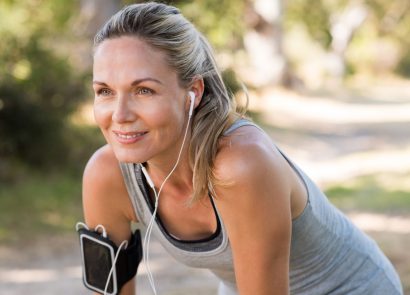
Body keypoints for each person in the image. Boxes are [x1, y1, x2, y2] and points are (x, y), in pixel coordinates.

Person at [81, 2, 403, 295]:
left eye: (143, 90)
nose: (119, 115)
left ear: (192, 92)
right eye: (105, 91)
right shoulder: (106, 176)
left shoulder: (241, 165)